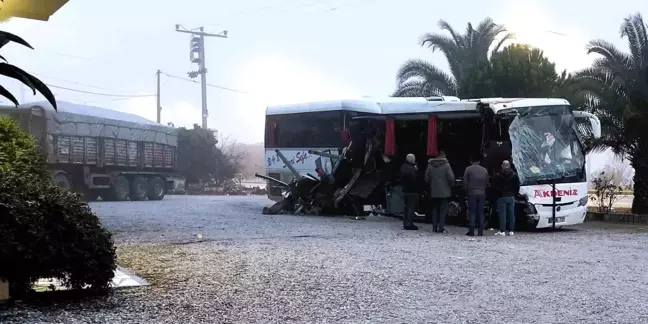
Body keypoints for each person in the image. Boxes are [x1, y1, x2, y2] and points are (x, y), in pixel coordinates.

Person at [425, 151, 455, 233]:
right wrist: (451, 185)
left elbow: (426, 178)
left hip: (434, 191)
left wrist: (432, 184)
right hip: (444, 191)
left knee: (435, 209)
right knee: (443, 210)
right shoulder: (446, 165)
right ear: (443, 156)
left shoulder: (430, 165)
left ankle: (434, 227)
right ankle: (441, 227)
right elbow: (451, 178)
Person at [491, 160, 520, 236]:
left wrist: (497, 195)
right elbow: (517, 186)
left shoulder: (498, 175)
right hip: (511, 196)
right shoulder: (514, 175)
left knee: (502, 215)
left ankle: (502, 230)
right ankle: (511, 230)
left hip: (502, 197)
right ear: (509, 166)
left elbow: (495, 187)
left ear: (502, 166)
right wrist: (514, 194)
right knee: (511, 214)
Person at [463, 156, 489, 236]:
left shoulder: (468, 169)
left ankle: (471, 230)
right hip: (481, 193)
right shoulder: (485, 170)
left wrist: (466, 191)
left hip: (472, 193)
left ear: (471, 161)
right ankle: (480, 231)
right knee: (481, 212)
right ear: (479, 162)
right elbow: (487, 182)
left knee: (472, 212)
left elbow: (465, 182)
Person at [400, 153, 419, 230]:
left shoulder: (403, 167)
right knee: (411, 207)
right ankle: (409, 223)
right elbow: (414, 178)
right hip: (412, 190)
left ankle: (405, 222)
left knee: (406, 207)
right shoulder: (412, 168)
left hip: (405, 189)